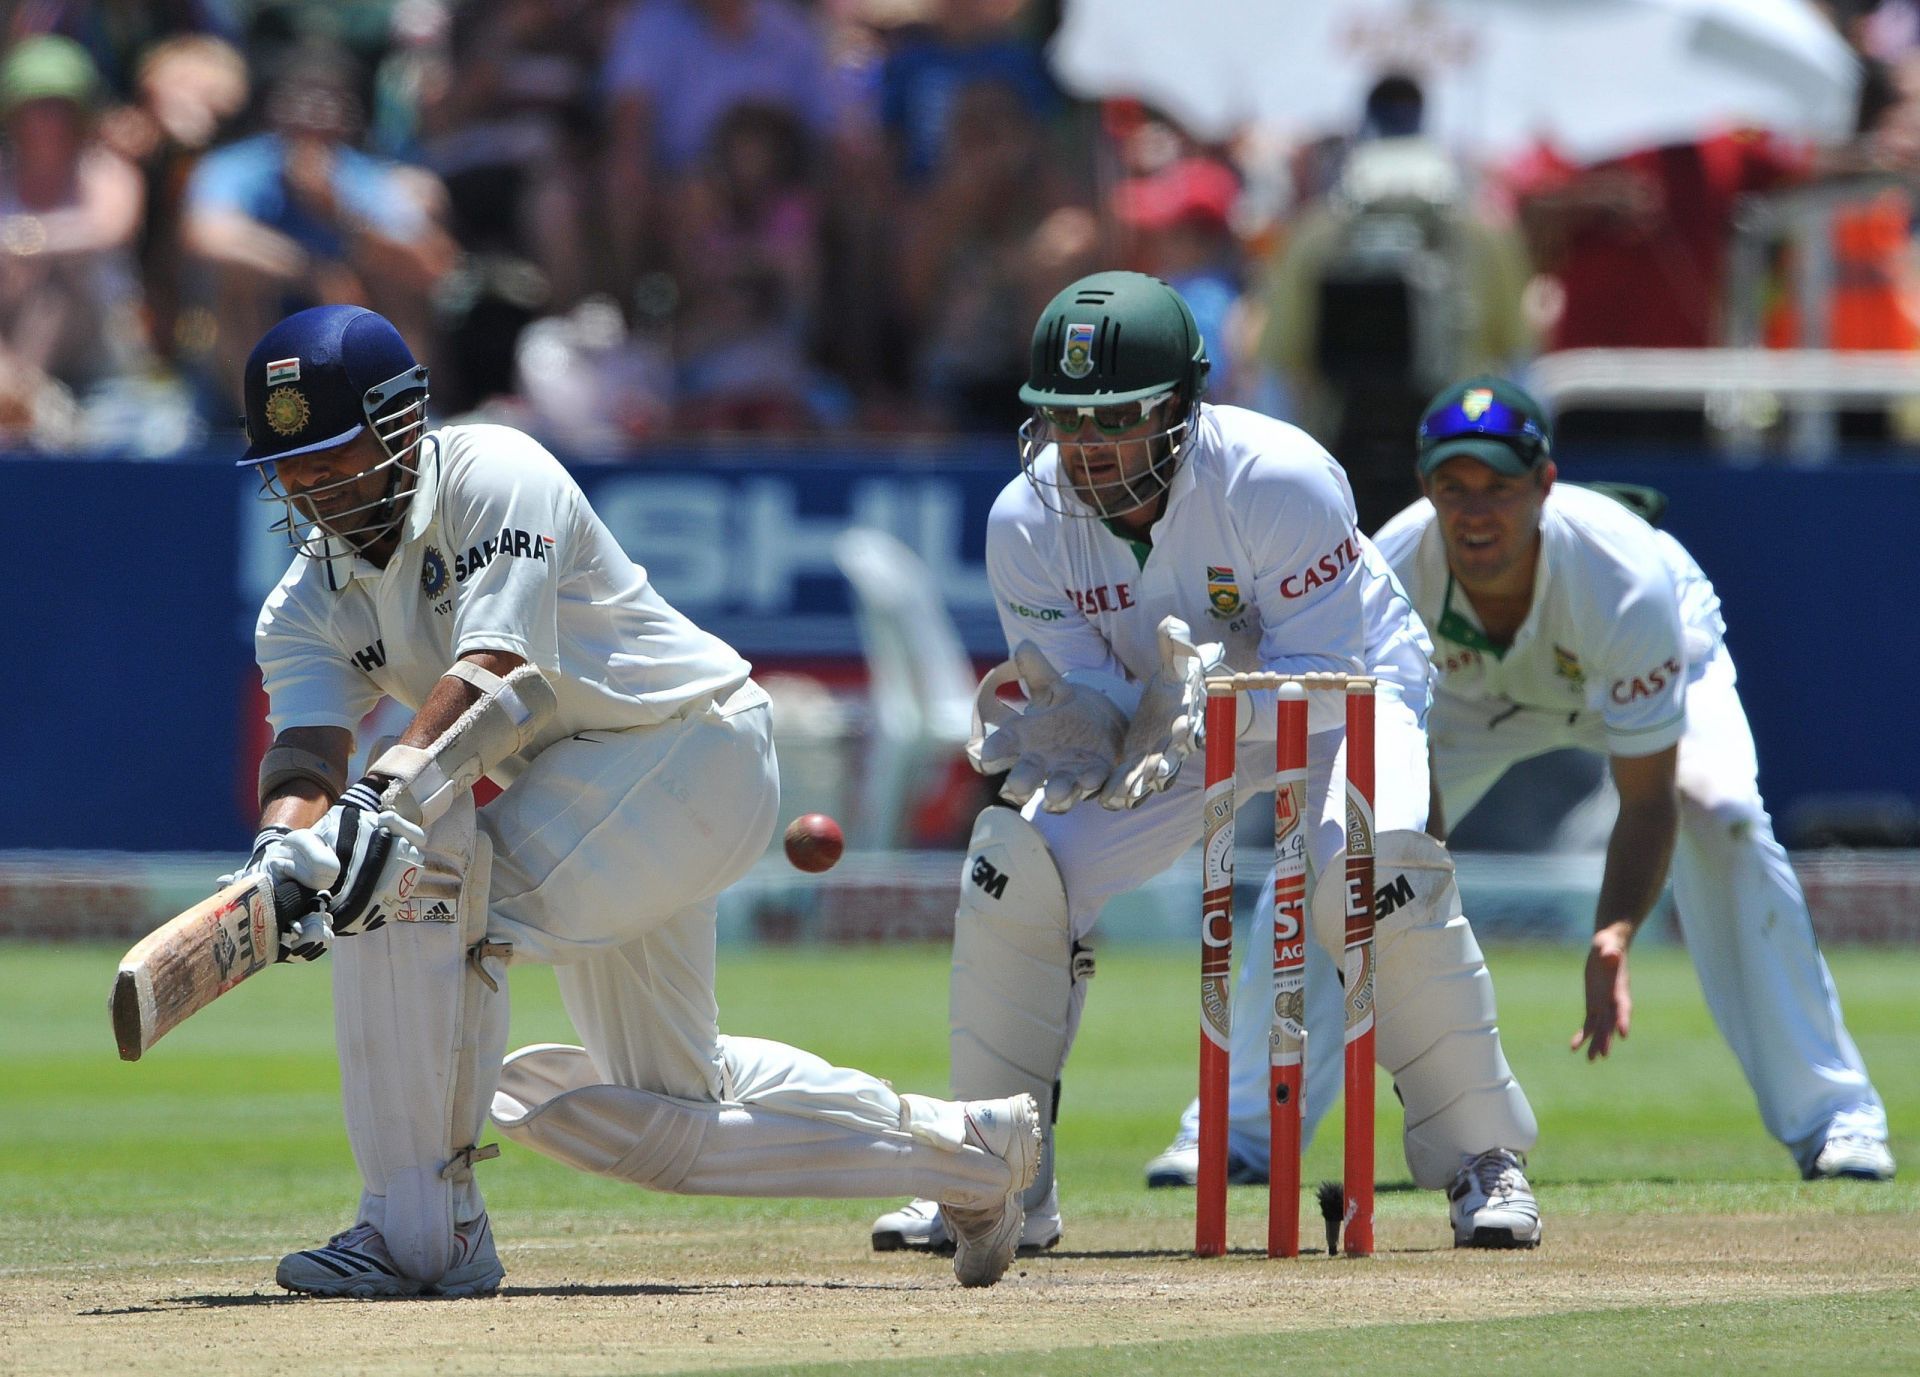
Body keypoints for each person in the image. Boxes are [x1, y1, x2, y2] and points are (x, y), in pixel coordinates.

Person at [225, 303, 1044, 1298]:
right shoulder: (305, 602)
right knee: (666, 1117)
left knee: (418, 866)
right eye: (292, 467)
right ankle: (974, 1154)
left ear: (399, 424)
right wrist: (280, 851)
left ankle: (417, 1231)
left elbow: (497, 672)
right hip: (586, 799)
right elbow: (306, 752)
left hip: (693, 751)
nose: (312, 488)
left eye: (333, 455)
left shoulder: (493, 473)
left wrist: (371, 810)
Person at [867, 270, 1543, 1259]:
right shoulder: (1024, 520)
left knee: (1372, 864)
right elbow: (1093, 699)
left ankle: (1484, 1158)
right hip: (1170, 721)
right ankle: (991, 1178)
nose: (1087, 451)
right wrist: (1079, 729)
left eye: (1116, 421)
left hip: (1349, 689)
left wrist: (1204, 697)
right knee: (1013, 869)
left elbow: (1324, 672)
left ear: (1181, 411)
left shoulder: (1278, 476)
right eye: (1067, 422)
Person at [1159, 376, 1895, 1186]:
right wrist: (1410, 940)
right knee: (1331, 846)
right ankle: (1240, 1131)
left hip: (1640, 664)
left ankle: (1838, 1116)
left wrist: (1613, 934)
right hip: (1467, 700)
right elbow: (1402, 804)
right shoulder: (1389, 566)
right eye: (1454, 487)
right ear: (1426, 488)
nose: (1476, 512)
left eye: (1500, 488)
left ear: (1545, 485)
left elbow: (1649, 796)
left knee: (1726, 818)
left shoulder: (1621, 576)